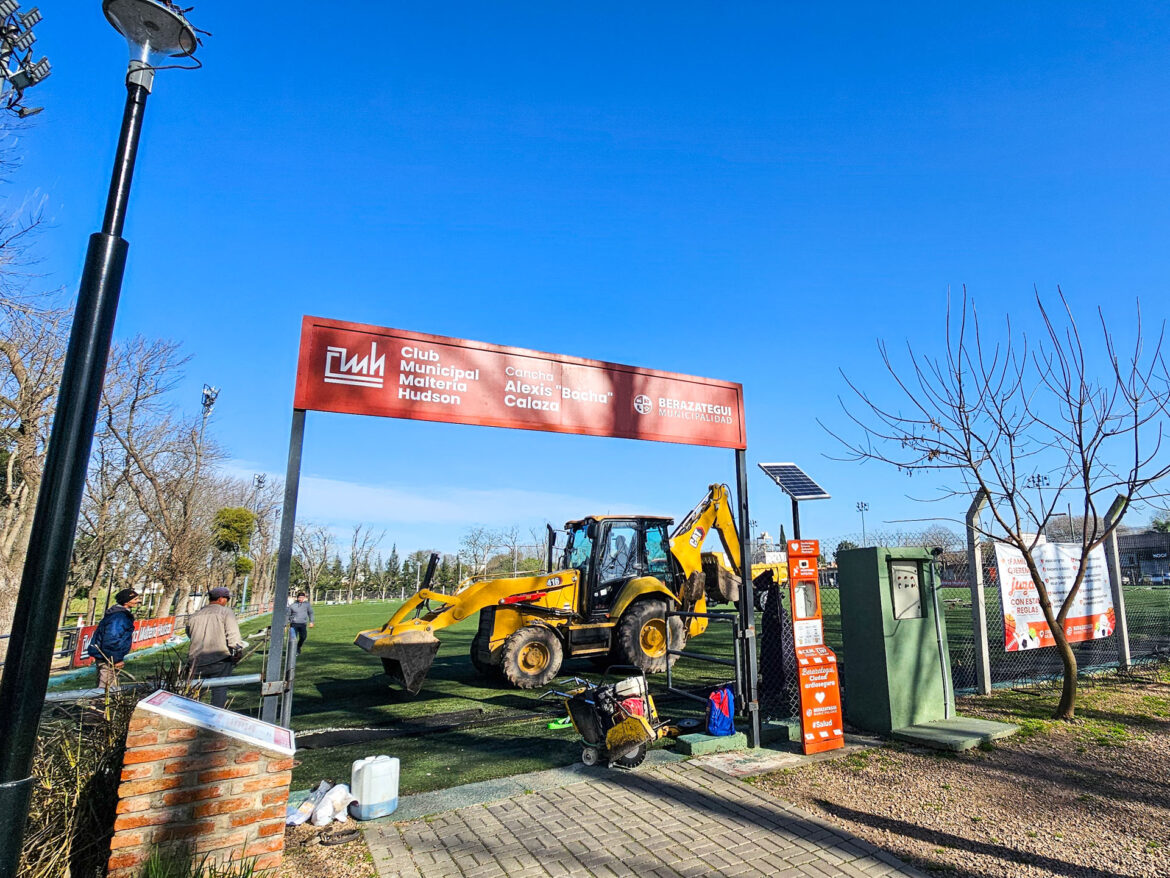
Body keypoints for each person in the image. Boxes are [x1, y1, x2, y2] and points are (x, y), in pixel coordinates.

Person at [186, 586, 247, 709]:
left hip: (196, 660)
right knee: (219, 691)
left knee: (195, 693)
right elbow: (233, 634)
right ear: (221, 599)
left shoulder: (194, 615)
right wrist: (238, 651)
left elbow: (189, 633)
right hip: (219, 658)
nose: (227, 601)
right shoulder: (226, 612)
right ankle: (216, 717)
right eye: (227, 599)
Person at [87, 588, 140, 690]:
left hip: (108, 656)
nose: (138, 601)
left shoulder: (120, 614)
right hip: (108, 658)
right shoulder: (119, 617)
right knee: (106, 689)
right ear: (126, 602)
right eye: (135, 599)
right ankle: (101, 705)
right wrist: (116, 659)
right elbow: (111, 639)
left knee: (110, 686)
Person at [288, 591, 315, 656]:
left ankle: (298, 647)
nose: (301, 599)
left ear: (304, 598)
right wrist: (286, 624)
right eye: (300, 597)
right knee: (293, 638)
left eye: (302, 597)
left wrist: (311, 622)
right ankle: (294, 651)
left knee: (303, 637)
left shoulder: (307, 605)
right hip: (294, 624)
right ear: (297, 598)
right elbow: (288, 615)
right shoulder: (292, 606)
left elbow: (311, 613)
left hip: (303, 624)